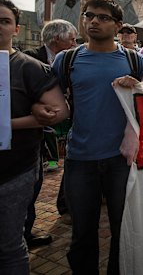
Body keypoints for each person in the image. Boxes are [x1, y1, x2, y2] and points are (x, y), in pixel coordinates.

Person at [52, 0, 143, 275]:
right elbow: (54, 102)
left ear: (118, 25)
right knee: (82, 231)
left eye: (103, 17)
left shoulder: (135, 61)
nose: (94, 21)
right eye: (89, 15)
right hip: (79, 160)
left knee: (123, 230)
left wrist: (137, 90)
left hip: (122, 161)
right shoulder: (66, 59)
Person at [0, 0, 69, 274]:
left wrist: (8, 124)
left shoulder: (30, 67)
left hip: (13, 171)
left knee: (9, 245)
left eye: (4, 21)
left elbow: (59, 111)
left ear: (17, 29)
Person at [22, 19, 77, 247]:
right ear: (56, 39)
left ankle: (26, 232)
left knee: (35, 182)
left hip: (48, 130)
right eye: (71, 39)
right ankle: (21, 235)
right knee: (28, 184)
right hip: (28, 132)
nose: (75, 43)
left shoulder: (70, 60)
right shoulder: (29, 60)